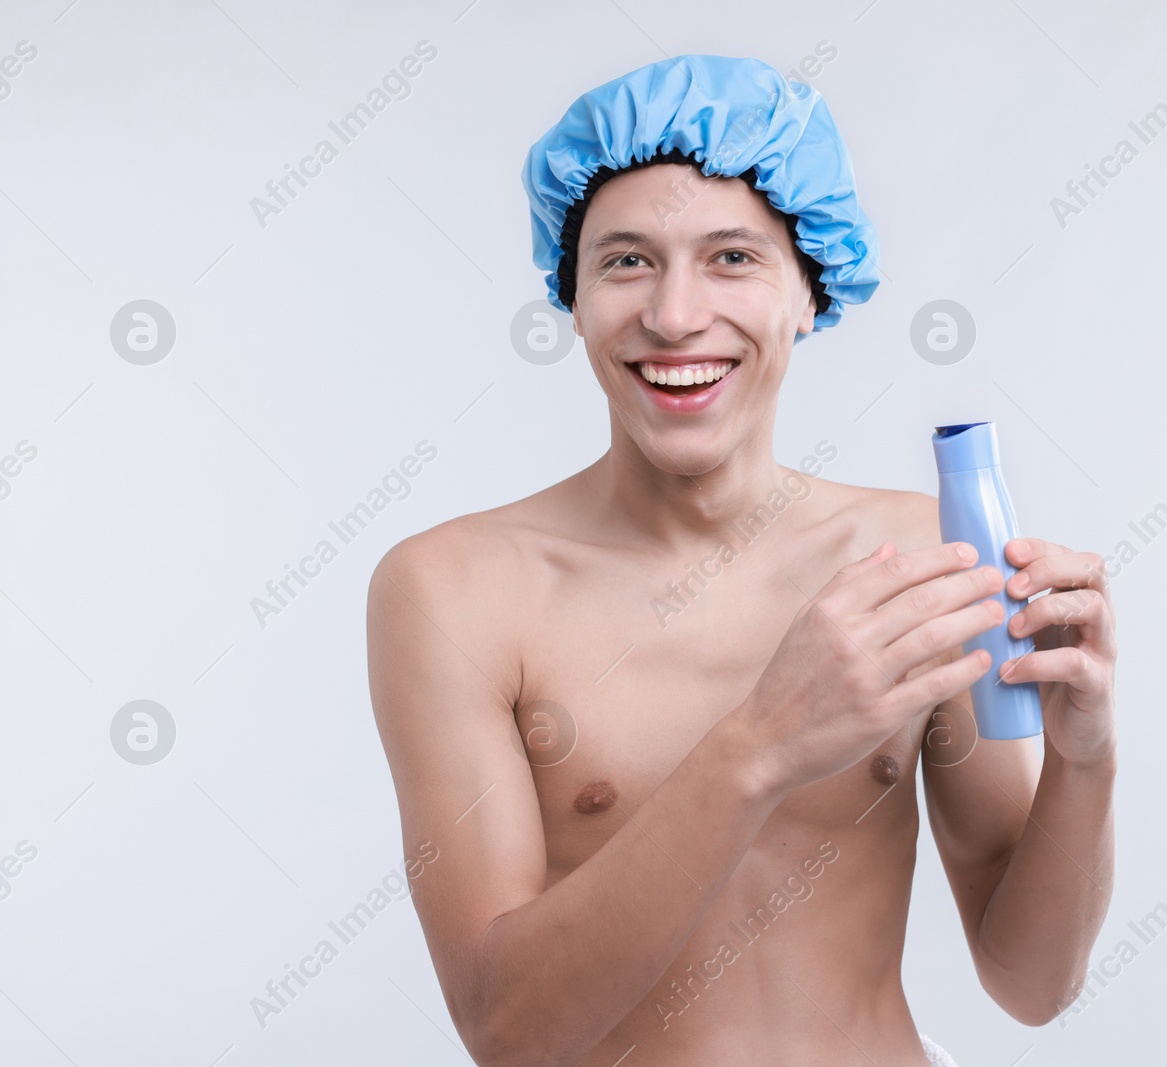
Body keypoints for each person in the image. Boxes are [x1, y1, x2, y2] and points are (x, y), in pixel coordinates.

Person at [366, 54, 1118, 1067]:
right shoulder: (454, 590)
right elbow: (510, 1029)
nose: (675, 316)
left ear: (809, 289)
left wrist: (1084, 758)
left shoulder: (922, 557)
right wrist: (762, 741)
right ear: (572, 295)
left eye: (731, 257)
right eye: (626, 261)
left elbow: (1030, 984)